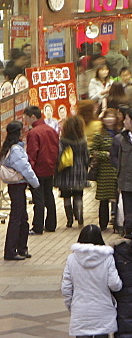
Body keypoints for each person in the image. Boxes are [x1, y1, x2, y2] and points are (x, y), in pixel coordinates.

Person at [61, 225, 123, 338]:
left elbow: (66, 288)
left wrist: (71, 305)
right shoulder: (107, 258)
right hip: (103, 310)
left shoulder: (72, 259)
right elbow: (115, 284)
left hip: (81, 311)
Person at [2, 121, 40, 260]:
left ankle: (20, 248)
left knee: (22, 217)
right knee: (18, 218)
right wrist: (36, 183)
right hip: (18, 185)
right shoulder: (16, 149)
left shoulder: (8, 147)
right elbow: (25, 168)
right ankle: (12, 251)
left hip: (14, 186)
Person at [25, 105, 59, 235]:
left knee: (38, 199)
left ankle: (37, 226)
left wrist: (29, 171)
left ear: (33, 117)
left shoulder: (34, 133)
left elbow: (32, 153)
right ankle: (51, 224)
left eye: (26, 118)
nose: (26, 121)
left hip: (38, 170)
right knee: (49, 195)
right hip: (50, 168)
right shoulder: (51, 130)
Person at [55, 115, 91, 228]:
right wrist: (86, 167)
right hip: (79, 170)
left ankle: (69, 219)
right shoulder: (83, 141)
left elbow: (59, 155)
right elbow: (86, 157)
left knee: (66, 196)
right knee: (78, 195)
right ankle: (79, 215)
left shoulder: (63, 141)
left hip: (65, 171)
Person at [90, 109, 120, 231]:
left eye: (112, 116)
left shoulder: (120, 134)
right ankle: (103, 224)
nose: (109, 119)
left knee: (117, 198)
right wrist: (105, 155)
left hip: (117, 170)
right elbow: (92, 151)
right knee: (103, 199)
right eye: (107, 117)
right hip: (103, 171)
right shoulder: (99, 135)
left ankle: (117, 223)